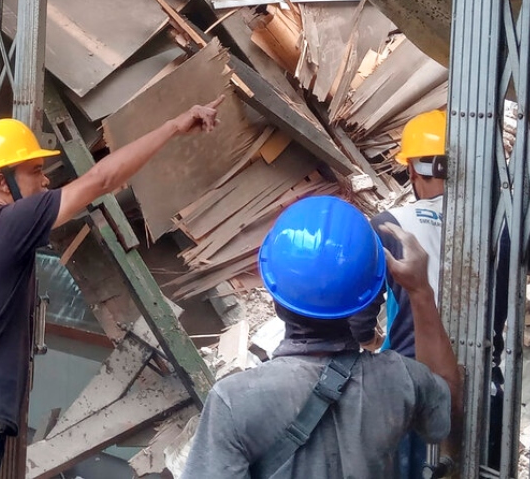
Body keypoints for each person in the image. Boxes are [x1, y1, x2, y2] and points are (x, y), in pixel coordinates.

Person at [0, 98, 224, 478]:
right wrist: (174, 125)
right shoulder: (11, 224)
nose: (45, 181)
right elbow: (100, 181)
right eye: (36, 170)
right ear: (1, 182)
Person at [181, 196, 462, 479]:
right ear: (370, 295)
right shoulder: (399, 381)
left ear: (275, 293)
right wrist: (420, 291)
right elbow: (447, 407)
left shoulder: (234, 402)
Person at [349, 109, 447, 477]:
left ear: (411, 171)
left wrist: (365, 338)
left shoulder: (390, 226)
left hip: (412, 387)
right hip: (487, 382)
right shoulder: (499, 226)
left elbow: (360, 318)